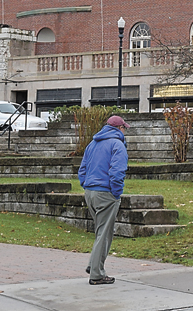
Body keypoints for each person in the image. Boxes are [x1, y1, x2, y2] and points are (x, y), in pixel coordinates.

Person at [77, 114, 130, 285]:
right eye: (124, 128)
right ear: (119, 128)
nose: (125, 131)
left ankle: (93, 265)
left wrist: (85, 184)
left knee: (101, 231)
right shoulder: (117, 145)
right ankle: (97, 274)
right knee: (104, 234)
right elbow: (117, 171)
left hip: (90, 192)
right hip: (106, 193)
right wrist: (116, 193)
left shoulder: (92, 144)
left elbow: (82, 169)